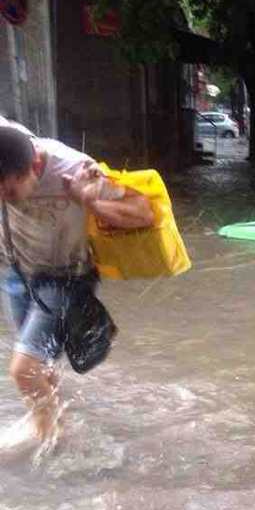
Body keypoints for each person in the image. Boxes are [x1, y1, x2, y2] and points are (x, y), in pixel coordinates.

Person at [0, 125, 154, 442]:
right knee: (39, 368)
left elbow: (145, 213)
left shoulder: (75, 170)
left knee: (24, 369)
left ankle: (51, 451)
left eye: (10, 192)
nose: (6, 201)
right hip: (17, 272)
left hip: (65, 278)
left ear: (36, 167)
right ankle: (57, 429)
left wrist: (90, 203)